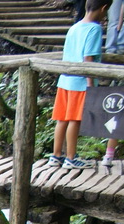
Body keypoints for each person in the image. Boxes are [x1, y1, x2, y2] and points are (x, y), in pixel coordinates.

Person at [48, 0, 112, 170]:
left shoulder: (74, 27)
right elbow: (88, 58)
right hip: (80, 82)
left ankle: (56, 156)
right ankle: (71, 158)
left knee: (62, 119)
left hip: (65, 79)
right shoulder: (94, 29)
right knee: (74, 120)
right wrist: (91, 85)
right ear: (104, 8)